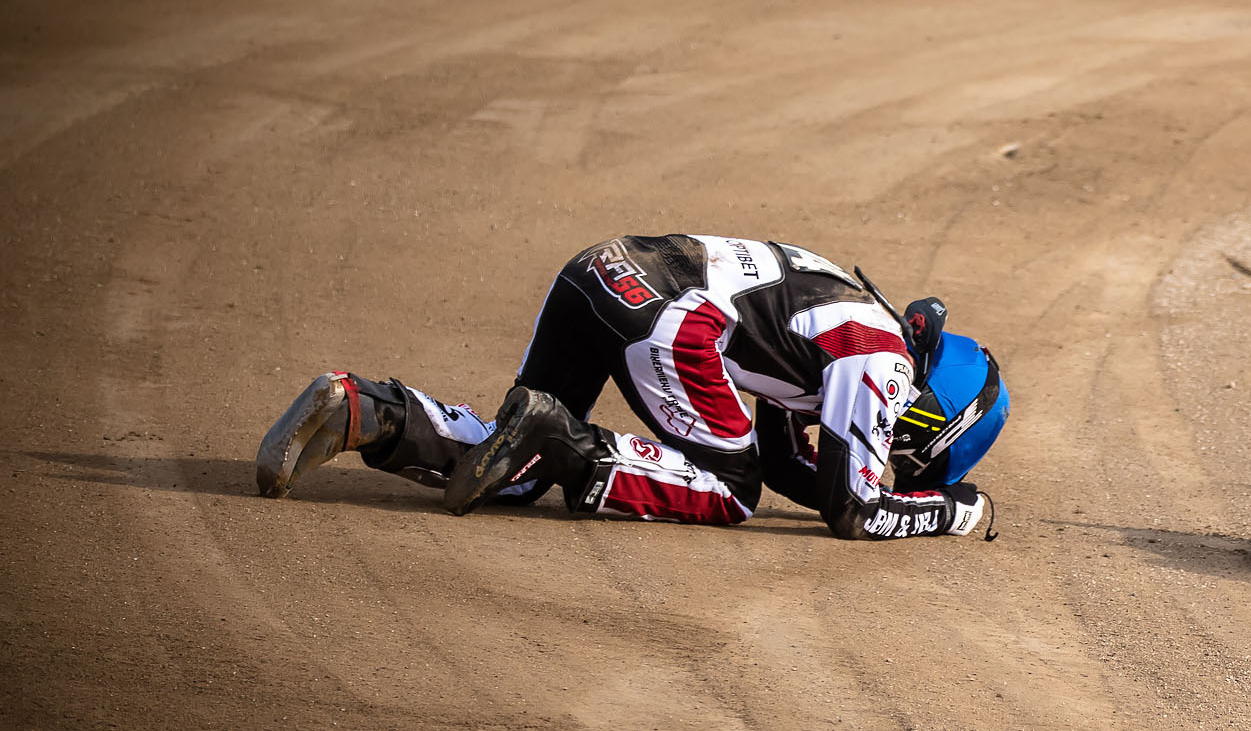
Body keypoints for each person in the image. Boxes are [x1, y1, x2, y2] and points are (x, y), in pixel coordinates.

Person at [254, 233, 1006, 540]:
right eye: (917, 456)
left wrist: (861, 487)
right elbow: (853, 508)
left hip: (600, 271)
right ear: (936, 420)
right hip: (677, 318)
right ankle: (562, 441)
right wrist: (955, 512)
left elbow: (794, 466)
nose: (897, 459)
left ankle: (367, 411)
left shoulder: (847, 310)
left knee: (509, 472)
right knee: (731, 491)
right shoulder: (885, 365)